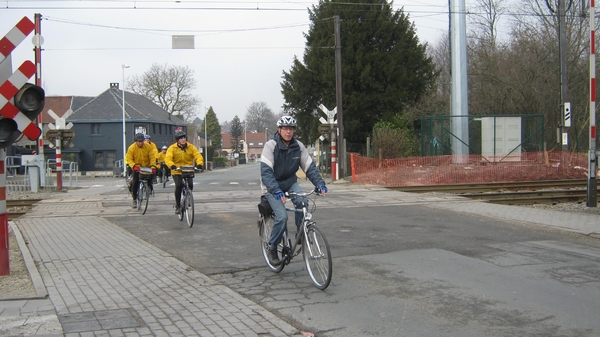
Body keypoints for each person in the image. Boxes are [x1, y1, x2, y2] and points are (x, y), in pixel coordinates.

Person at [260, 115, 328, 266]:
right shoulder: (271, 146)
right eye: (285, 129)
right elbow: (266, 172)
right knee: (282, 217)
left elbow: (309, 167)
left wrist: (320, 183)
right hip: (272, 185)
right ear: (279, 130)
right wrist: (275, 190)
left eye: (291, 129)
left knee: (303, 202)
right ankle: (272, 247)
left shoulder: (298, 146)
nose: (288, 132)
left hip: (290, 182)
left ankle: (300, 232)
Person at [165, 130, 204, 214]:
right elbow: (168, 158)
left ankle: (188, 197)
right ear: (177, 140)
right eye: (181, 138)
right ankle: (178, 205)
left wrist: (200, 164)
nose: (183, 139)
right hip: (177, 171)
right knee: (179, 185)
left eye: (184, 138)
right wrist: (172, 165)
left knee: (190, 185)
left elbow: (197, 155)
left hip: (188, 169)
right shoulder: (172, 148)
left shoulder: (191, 147)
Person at [126, 133, 158, 208]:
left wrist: (153, 166)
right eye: (138, 141)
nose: (140, 143)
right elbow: (129, 158)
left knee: (150, 178)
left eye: (141, 141)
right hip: (137, 167)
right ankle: (134, 199)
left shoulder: (148, 147)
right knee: (135, 182)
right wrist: (133, 166)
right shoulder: (131, 148)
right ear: (136, 141)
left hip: (146, 166)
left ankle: (149, 187)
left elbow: (152, 157)